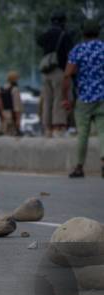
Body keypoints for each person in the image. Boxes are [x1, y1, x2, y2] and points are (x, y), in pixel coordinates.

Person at [63, 19, 104, 178]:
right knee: (103, 131)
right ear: (98, 31)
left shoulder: (78, 50)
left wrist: (65, 97)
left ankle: (79, 167)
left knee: (83, 134)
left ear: (83, 32)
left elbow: (67, 75)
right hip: (103, 96)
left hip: (84, 98)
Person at [37, 10, 75, 137]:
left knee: (47, 100)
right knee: (60, 98)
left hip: (46, 72)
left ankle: (47, 128)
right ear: (63, 21)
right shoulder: (65, 35)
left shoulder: (46, 34)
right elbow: (70, 55)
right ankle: (58, 128)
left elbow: (39, 41)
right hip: (59, 71)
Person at [0, 71, 23, 136]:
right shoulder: (15, 89)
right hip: (12, 116)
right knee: (12, 136)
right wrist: (18, 120)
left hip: (4, 115)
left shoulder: (3, 88)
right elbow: (16, 106)